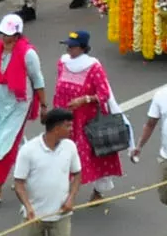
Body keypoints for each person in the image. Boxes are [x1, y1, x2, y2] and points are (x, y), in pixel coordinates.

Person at [0, 14, 45, 204]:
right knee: (10, 140)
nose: (4, 38)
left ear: (17, 36)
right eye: (2, 34)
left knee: (7, 144)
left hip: (20, 104)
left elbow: (38, 80)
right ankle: (31, 167)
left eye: (8, 35)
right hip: (1, 104)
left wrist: (44, 105)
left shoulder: (28, 54)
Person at [48, 34, 118, 203]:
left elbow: (103, 94)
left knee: (90, 155)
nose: (68, 49)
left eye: (72, 46)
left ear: (82, 48)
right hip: (64, 118)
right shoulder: (63, 63)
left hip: (86, 120)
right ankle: (62, 190)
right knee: (60, 152)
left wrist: (84, 99)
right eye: (68, 46)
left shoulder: (93, 67)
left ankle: (97, 191)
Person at [8, 109, 80, 236]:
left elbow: (77, 174)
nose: (71, 129)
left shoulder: (70, 147)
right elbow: (19, 184)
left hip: (61, 215)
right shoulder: (28, 150)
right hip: (33, 216)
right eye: (67, 125)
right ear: (57, 128)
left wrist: (71, 198)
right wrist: (28, 207)